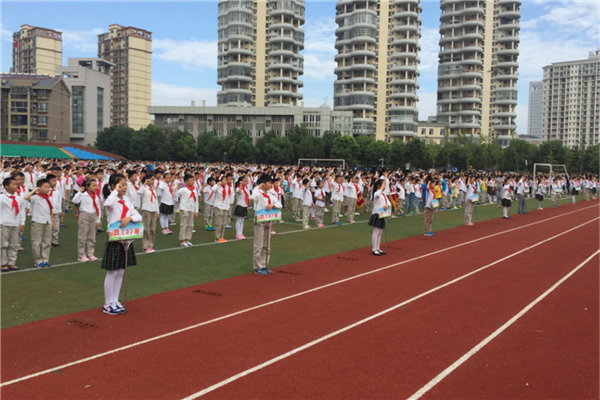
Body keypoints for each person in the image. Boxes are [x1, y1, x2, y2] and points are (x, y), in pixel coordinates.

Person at [100, 173, 142, 316]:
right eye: (121, 185)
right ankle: (107, 303)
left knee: (121, 271)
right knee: (112, 272)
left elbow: (138, 216)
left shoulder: (126, 201)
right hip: (114, 238)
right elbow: (107, 204)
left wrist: (129, 217)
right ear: (113, 186)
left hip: (126, 238)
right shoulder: (112, 200)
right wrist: (115, 191)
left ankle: (115, 300)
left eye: (125, 185)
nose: (124, 188)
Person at [249, 174, 282, 276]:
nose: (270, 185)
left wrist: (273, 205)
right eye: (269, 183)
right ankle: (257, 267)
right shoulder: (258, 194)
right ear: (263, 184)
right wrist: (258, 187)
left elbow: (280, 204)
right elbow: (251, 198)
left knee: (266, 245)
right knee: (258, 245)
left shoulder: (271, 195)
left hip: (268, 220)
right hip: (260, 221)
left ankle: (264, 265)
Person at [25, 178, 54, 268]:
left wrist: (52, 221)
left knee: (47, 241)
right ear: (39, 188)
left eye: (48, 187)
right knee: (36, 241)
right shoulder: (35, 197)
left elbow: (50, 210)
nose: (48, 189)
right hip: (37, 221)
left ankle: (45, 259)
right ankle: (38, 260)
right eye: (45, 187)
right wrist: (35, 190)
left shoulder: (49, 198)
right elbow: (26, 197)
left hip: (47, 221)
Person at [72, 179, 102, 262]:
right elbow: (74, 201)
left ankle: (90, 254)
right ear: (87, 187)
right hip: (85, 215)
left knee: (91, 237)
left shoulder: (96, 196)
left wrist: (98, 220)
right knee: (83, 236)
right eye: (93, 186)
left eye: (96, 185)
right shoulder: (83, 195)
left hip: (93, 215)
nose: (95, 187)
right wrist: (79, 192)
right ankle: (81, 255)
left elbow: (98, 208)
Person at [1, 177, 27, 271]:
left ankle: (11, 262)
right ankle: (3, 263)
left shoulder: (19, 198)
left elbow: (21, 211)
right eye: (13, 184)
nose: (16, 186)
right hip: (4, 223)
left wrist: (22, 222)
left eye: (16, 184)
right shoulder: (2, 198)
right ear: (6, 186)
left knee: (13, 244)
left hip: (15, 224)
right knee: (3, 244)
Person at [138, 172, 159, 253]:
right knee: (146, 229)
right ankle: (145, 246)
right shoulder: (144, 188)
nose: (153, 181)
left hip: (154, 210)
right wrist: (144, 184)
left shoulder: (153, 189)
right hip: (146, 209)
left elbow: (156, 200)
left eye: (154, 179)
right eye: (152, 179)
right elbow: (139, 192)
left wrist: (157, 211)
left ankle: (151, 245)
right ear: (147, 180)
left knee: (153, 229)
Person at [369, 179, 389, 256]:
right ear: (379, 186)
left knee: (380, 232)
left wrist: (387, 205)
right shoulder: (376, 193)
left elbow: (388, 202)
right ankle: (374, 249)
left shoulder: (383, 194)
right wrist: (381, 189)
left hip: (382, 214)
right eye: (383, 184)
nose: (384, 186)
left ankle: (378, 248)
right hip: (377, 213)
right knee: (376, 231)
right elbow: (377, 195)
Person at [178, 174, 199, 247]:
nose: (192, 182)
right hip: (184, 209)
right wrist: (176, 187)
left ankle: (187, 240)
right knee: (183, 225)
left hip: (191, 209)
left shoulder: (194, 190)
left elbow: (196, 201)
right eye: (191, 180)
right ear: (186, 181)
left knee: (190, 225)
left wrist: (196, 211)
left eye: (193, 180)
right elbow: (175, 194)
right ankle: (182, 240)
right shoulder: (183, 190)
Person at [212, 175, 231, 243]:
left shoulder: (227, 187)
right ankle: (217, 237)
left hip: (224, 207)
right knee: (218, 223)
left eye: (226, 180)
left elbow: (227, 198)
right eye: (224, 180)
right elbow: (213, 189)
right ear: (221, 181)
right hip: (218, 206)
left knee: (223, 223)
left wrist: (227, 207)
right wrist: (218, 184)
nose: (226, 182)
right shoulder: (218, 187)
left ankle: (221, 236)